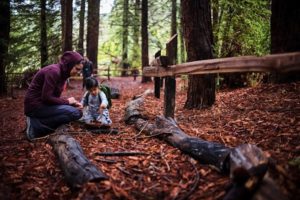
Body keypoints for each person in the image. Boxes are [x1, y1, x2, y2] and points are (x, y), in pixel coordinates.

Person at [24, 51, 84, 141]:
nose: (78, 72)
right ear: (69, 64)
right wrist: (67, 102)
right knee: (75, 113)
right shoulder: (54, 72)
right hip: (35, 106)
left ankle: (38, 123)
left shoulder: (63, 74)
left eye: (80, 70)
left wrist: (71, 103)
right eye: (77, 69)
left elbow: (52, 98)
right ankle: (35, 126)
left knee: (76, 112)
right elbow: (46, 98)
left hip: (43, 105)